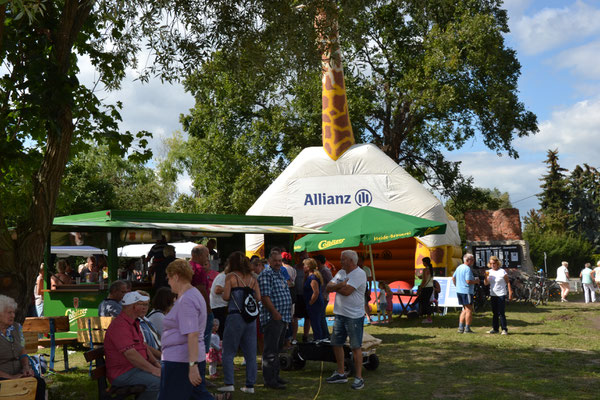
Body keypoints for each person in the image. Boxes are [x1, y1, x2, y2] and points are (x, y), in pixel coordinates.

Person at [159, 259, 230, 400]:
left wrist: (192, 366)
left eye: (169, 278)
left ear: (176, 276)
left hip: (181, 360)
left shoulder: (187, 299)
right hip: (184, 358)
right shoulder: (191, 295)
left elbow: (192, 333)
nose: (168, 282)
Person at [104, 291, 161, 400]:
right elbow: (131, 355)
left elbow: (143, 346)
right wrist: (154, 370)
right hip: (123, 373)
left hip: (135, 369)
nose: (146, 308)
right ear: (133, 306)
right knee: (158, 382)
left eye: (146, 305)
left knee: (172, 372)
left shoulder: (134, 322)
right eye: (143, 305)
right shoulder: (120, 326)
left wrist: (156, 364)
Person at [220, 251, 261, 394]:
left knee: (229, 351)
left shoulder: (231, 277)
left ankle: (229, 383)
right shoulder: (252, 278)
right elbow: (259, 298)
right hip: (250, 318)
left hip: (235, 316)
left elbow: (225, 297)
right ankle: (250, 386)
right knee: (250, 353)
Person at [325, 250, 367, 390]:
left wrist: (336, 287)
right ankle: (341, 373)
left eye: (343, 259)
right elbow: (328, 287)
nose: (341, 261)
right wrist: (340, 285)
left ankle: (359, 378)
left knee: (356, 347)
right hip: (340, 313)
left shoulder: (359, 273)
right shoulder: (342, 272)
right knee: (336, 343)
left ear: (351, 261)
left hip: (354, 316)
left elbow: (347, 291)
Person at [258, 249, 292, 390]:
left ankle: (275, 376)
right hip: (273, 317)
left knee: (277, 349)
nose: (278, 263)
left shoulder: (279, 274)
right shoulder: (266, 274)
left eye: (280, 260)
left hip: (283, 317)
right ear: (269, 261)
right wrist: (274, 312)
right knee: (271, 351)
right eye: (275, 261)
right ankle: (269, 380)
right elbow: (265, 297)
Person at [0, 295, 46, 400]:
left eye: (13, 312)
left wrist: (26, 367)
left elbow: (22, 352)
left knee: (39, 383)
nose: (12, 315)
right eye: (9, 313)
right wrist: (11, 378)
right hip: (2, 376)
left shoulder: (16, 327)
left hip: (19, 373)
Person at [190, 245, 214, 355]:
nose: (207, 258)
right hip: (200, 308)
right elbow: (201, 289)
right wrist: (208, 308)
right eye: (206, 255)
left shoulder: (187, 266)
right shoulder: (199, 269)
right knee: (203, 338)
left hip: (190, 307)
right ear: (198, 255)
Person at [484, 256, 513, 335]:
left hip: (501, 294)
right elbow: (486, 283)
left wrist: (510, 292)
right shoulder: (489, 272)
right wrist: (486, 277)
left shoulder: (502, 271)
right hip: (493, 294)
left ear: (497, 263)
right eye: (491, 263)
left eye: (494, 263)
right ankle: (495, 328)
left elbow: (508, 282)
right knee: (494, 313)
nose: (492, 265)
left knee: (501, 312)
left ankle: (504, 329)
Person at [452, 253, 479, 334]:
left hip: (459, 291)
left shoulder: (459, 267)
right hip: (466, 291)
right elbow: (468, 281)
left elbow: (453, 278)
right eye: (473, 259)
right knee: (469, 310)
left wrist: (457, 286)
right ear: (468, 260)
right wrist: (476, 281)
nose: (474, 261)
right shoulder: (467, 269)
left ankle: (460, 328)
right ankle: (467, 328)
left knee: (464, 309)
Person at [303, 258, 326, 340]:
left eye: (304, 265)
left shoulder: (312, 278)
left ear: (308, 267)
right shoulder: (309, 276)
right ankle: (318, 338)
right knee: (315, 322)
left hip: (315, 303)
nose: (303, 267)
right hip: (314, 303)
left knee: (316, 323)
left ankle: (318, 339)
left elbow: (315, 292)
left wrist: (310, 303)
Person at [314, 255, 332, 339]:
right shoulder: (319, 270)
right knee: (319, 316)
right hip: (320, 296)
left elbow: (331, 282)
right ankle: (323, 335)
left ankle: (326, 335)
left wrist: (325, 293)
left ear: (319, 261)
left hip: (323, 297)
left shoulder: (325, 270)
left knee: (321, 316)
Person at [210, 269, 228, 340]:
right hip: (218, 307)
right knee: (220, 331)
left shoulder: (223, 276)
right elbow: (217, 289)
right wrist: (228, 289)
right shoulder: (223, 276)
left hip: (220, 306)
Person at [417, 257, 435, 324]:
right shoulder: (431, 269)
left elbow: (424, 280)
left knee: (425, 303)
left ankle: (428, 318)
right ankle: (428, 317)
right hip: (430, 287)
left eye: (423, 262)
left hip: (426, 287)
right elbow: (427, 277)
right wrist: (421, 277)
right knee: (426, 302)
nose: (422, 263)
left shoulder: (425, 270)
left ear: (425, 262)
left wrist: (420, 287)